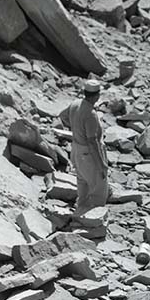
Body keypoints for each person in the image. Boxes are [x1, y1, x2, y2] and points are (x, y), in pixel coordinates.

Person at [59, 79, 109, 213]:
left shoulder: (76, 103)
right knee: (98, 186)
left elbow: (62, 116)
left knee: (82, 181)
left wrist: (75, 127)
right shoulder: (91, 114)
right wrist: (101, 165)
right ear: (97, 96)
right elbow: (93, 143)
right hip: (87, 153)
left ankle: (80, 210)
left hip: (76, 149)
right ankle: (94, 219)